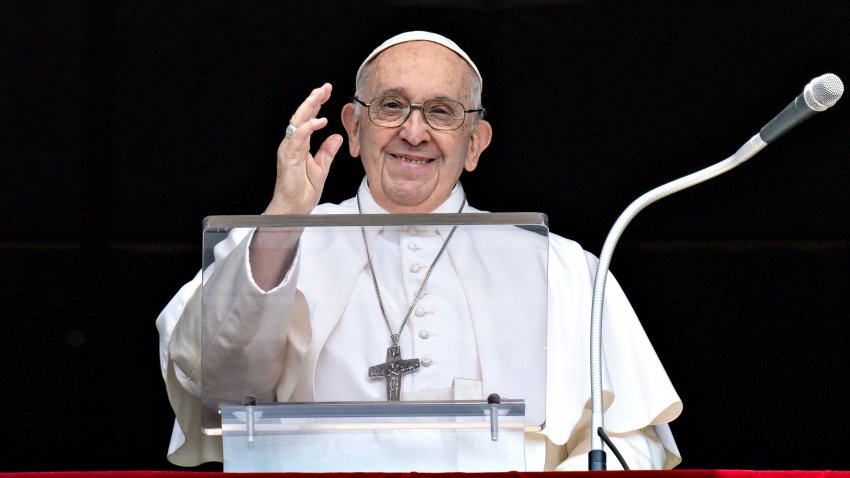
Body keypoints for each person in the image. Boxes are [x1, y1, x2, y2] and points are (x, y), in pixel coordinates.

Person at [156, 31, 682, 471]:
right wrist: (283, 216)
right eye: (391, 106)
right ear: (355, 129)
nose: (414, 131)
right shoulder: (275, 242)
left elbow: (631, 442)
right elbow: (212, 377)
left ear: (475, 142)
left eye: (441, 112)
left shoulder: (561, 268)